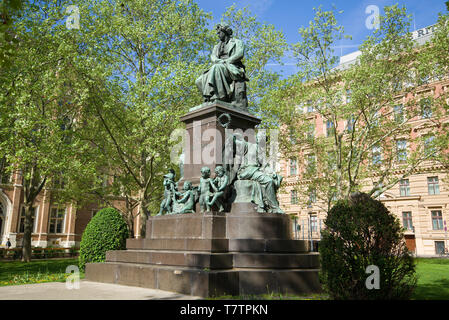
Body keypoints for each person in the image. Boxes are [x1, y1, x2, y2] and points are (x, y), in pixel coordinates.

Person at [195, 23, 248, 105]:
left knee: (216, 68)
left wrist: (228, 61)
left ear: (225, 32)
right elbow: (213, 57)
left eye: (219, 32)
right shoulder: (217, 46)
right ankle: (208, 98)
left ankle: (220, 96)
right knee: (199, 80)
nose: (218, 35)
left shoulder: (237, 42)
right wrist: (219, 61)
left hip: (232, 67)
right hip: (219, 65)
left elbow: (240, 53)